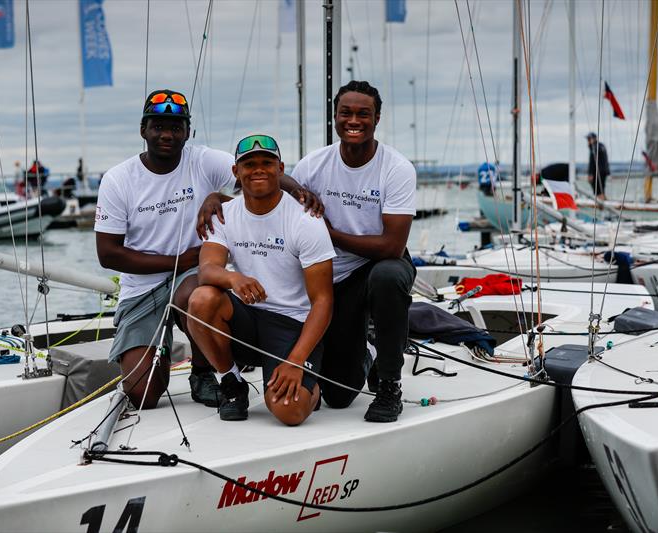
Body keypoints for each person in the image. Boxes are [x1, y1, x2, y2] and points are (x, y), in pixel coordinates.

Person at [94, 89, 237, 410]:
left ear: (188, 131)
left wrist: (221, 197)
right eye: (159, 126)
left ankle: (201, 373)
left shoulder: (202, 160)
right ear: (143, 130)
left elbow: (261, 178)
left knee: (196, 292)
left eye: (176, 127)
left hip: (189, 277)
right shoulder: (118, 179)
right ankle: (160, 351)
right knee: (143, 396)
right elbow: (108, 254)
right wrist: (178, 259)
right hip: (142, 288)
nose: (167, 135)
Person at [289, 81, 416, 423]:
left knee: (389, 276)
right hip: (335, 275)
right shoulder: (313, 165)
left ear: (377, 119)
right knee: (340, 395)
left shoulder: (397, 168)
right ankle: (369, 352)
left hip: (381, 263)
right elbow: (278, 195)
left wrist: (327, 233)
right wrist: (217, 199)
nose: (354, 120)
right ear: (335, 117)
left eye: (364, 113)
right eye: (346, 112)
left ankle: (389, 383)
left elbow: (392, 245)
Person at [187, 134, 334, 425]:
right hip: (249, 316)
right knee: (201, 298)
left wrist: (295, 361)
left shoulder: (306, 221)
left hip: (292, 323)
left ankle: (313, 387)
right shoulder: (224, 214)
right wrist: (233, 278)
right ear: (236, 172)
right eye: (249, 163)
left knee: (289, 412)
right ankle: (231, 382)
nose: (258, 169)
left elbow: (323, 301)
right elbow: (206, 270)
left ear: (281, 169)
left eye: (267, 163)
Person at [586, 132, 610, 200]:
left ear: (594, 139)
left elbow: (592, 161)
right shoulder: (601, 146)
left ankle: (601, 205)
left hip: (598, 172)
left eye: (589, 139)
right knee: (601, 190)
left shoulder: (594, 147)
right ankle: (604, 203)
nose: (588, 141)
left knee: (598, 191)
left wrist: (590, 174)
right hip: (604, 171)